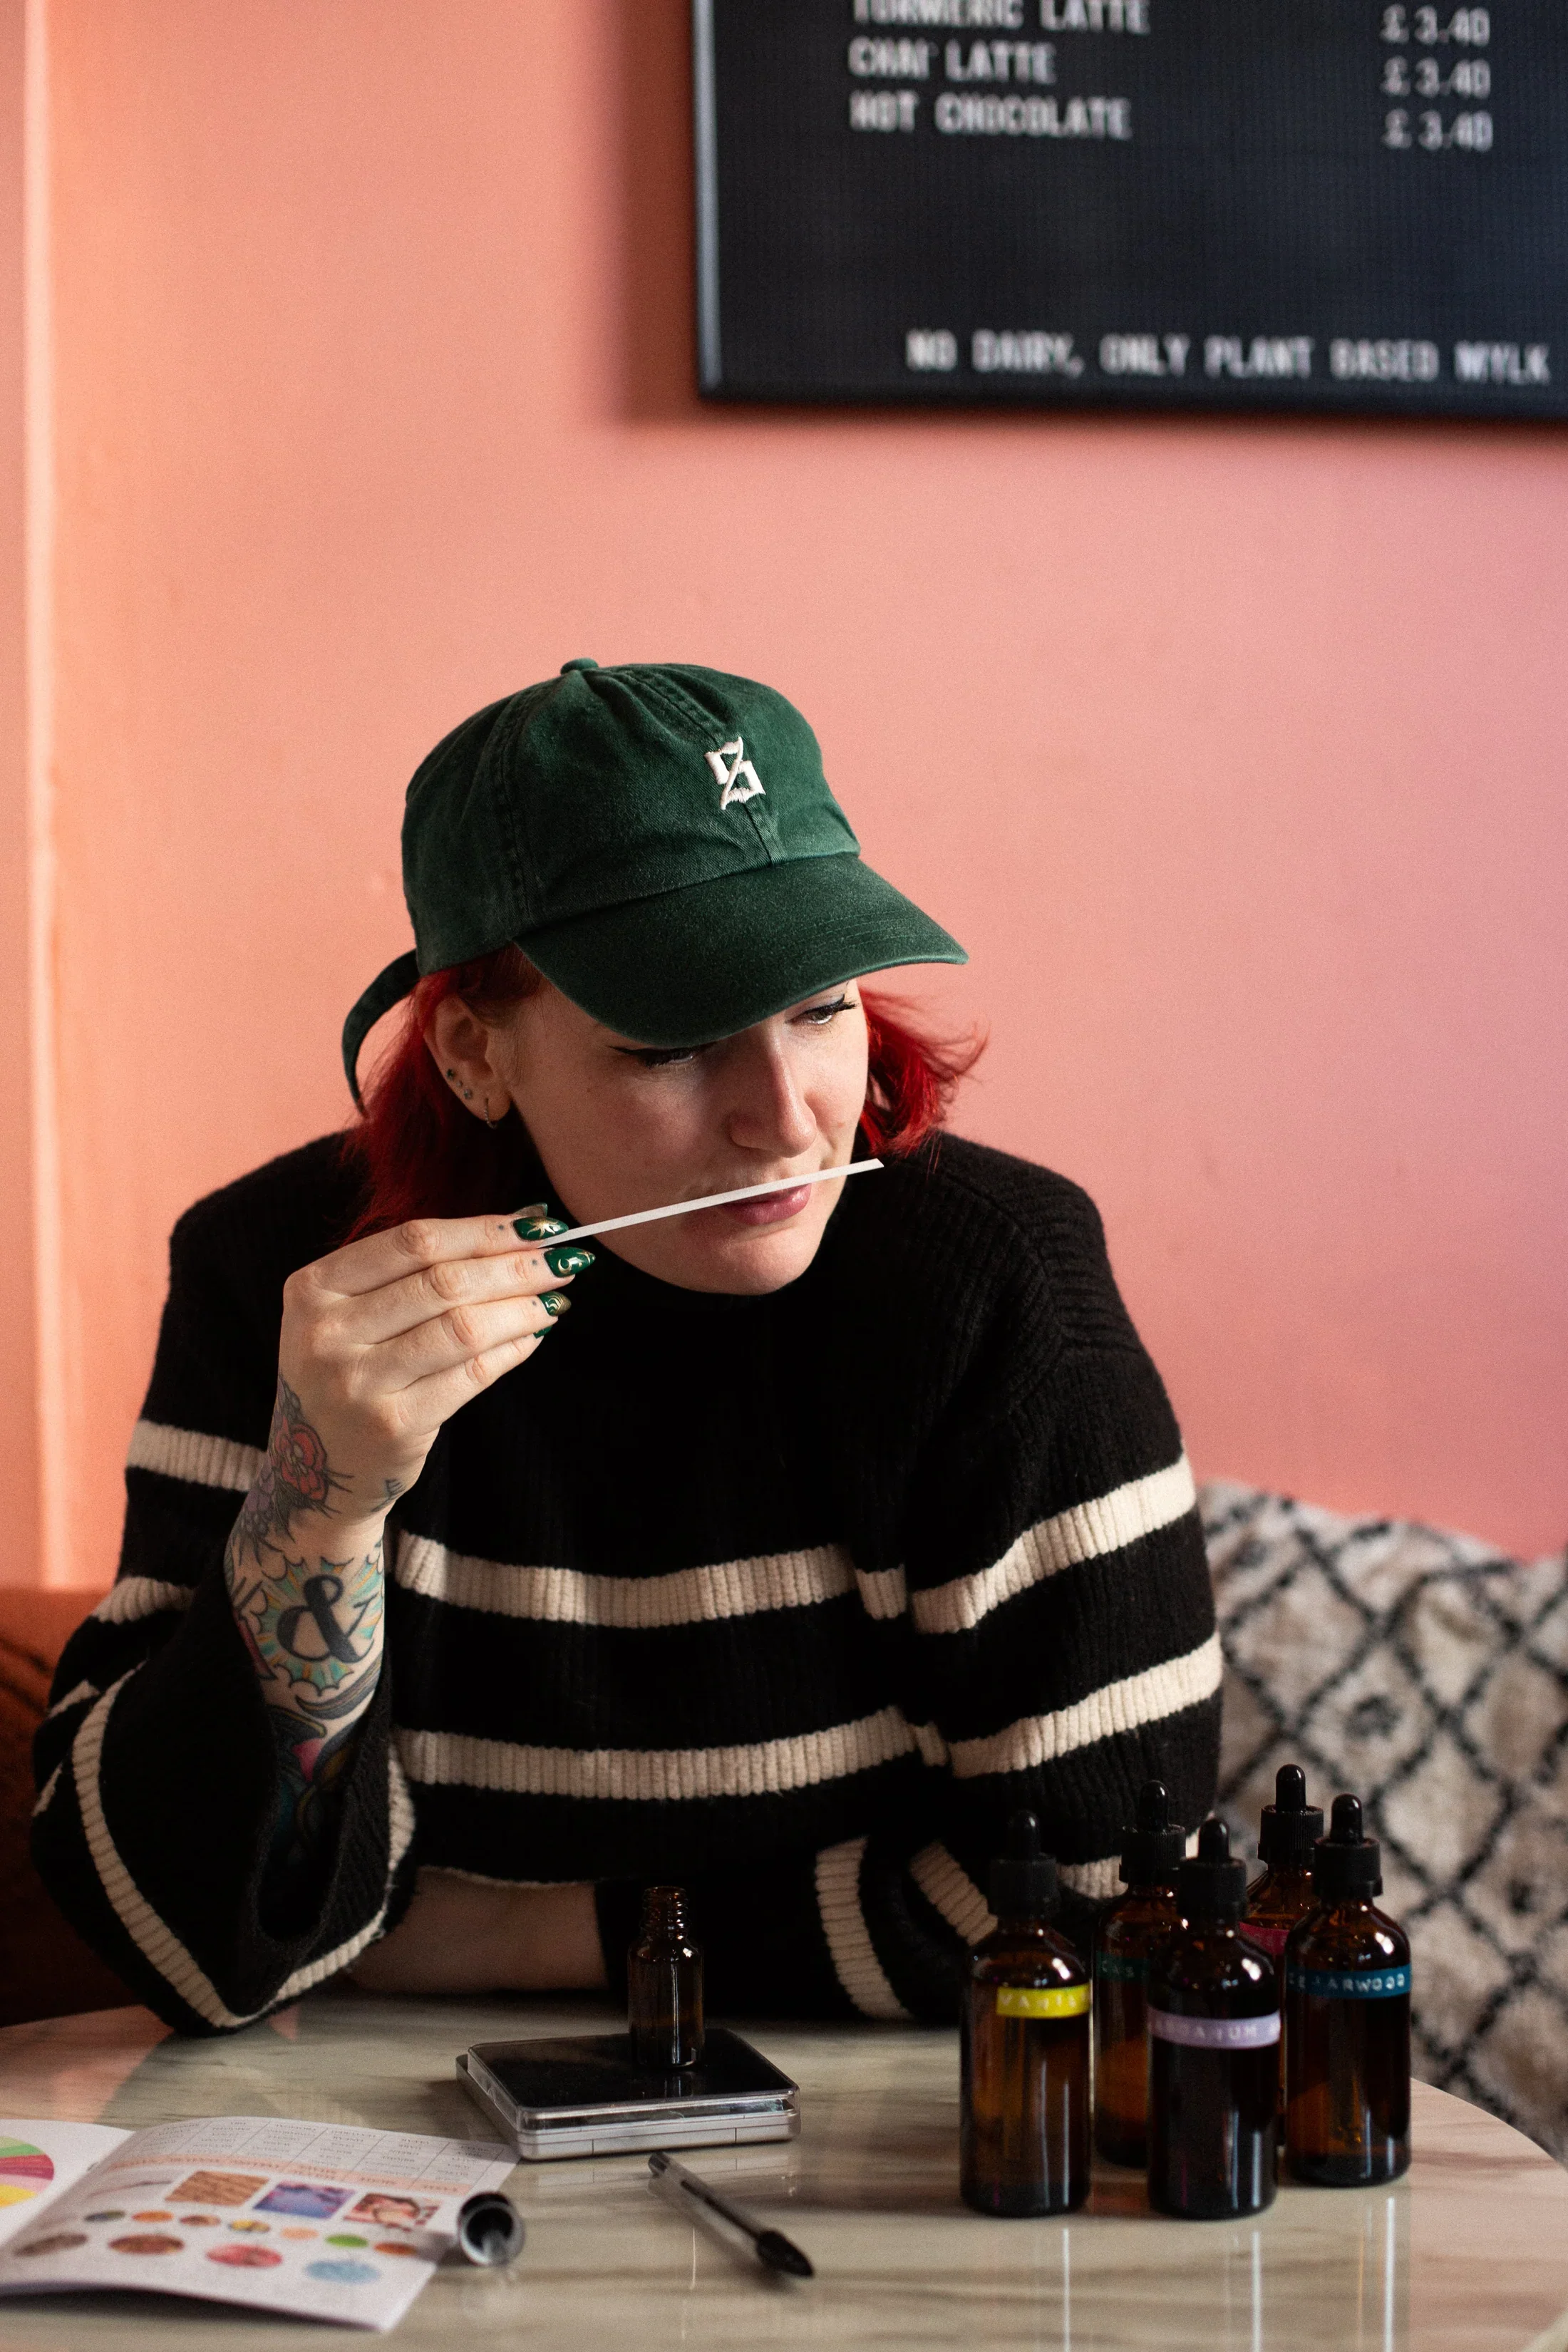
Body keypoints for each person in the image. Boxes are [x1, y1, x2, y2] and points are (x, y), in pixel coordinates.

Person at [33, 659, 1219, 2036]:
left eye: (821, 1004)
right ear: (476, 1053)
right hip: (374, 2151)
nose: (786, 1118)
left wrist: (543, 1938)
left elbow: (1105, 1900)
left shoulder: (998, 1286)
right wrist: (319, 1509)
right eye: (674, 1041)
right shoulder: (283, 1283)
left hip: (891, 2147)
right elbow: (183, 1943)